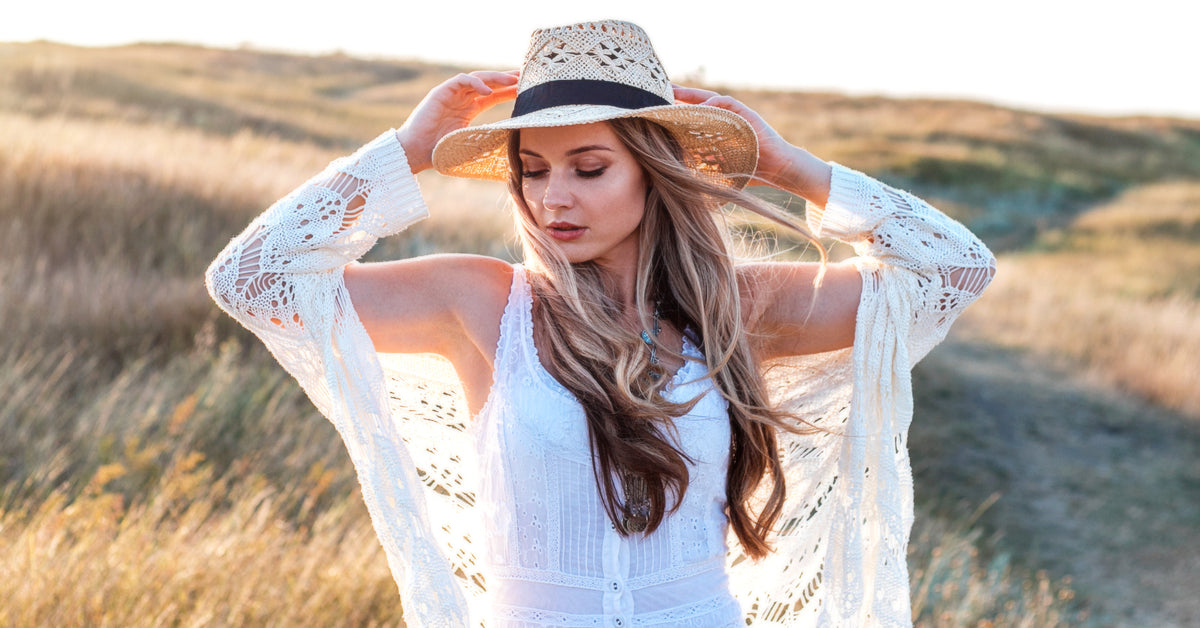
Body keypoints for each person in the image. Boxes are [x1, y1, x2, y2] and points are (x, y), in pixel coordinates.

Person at [206, 19, 995, 628]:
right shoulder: (482, 305)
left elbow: (955, 272)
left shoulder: (739, 310)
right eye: (533, 172)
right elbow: (251, 281)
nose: (554, 200)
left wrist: (789, 168)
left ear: (655, 174)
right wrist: (406, 150)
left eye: (589, 169)